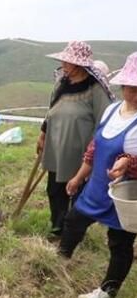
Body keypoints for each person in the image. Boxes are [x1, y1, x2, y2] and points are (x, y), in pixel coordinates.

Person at [59, 52, 137, 298]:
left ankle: (107, 291)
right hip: (97, 187)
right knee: (73, 220)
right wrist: (78, 177)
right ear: (124, 85)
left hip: (125, 196)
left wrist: (127, 163)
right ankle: (60, 259)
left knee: (120, 244)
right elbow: (95, 148)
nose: (135, 94)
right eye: (132, 88)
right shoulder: (112, 111)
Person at [38, 41, 115, 237]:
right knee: (54, 189)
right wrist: (43, 133)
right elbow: (51, 110)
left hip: (80, 153)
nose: (63, 64)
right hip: (56, 147)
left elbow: (104, 122)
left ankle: (71, 234)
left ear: (79, 64)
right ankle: (57, 226)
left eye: (68, 61)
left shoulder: (95, 89)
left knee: (75, 191)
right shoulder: (62, 83)